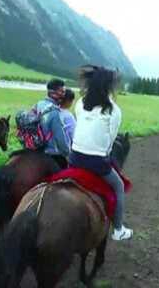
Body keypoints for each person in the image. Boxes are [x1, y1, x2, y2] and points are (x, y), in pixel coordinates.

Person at [69, 65, 133, 241]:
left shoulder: (80, 103)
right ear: (108, 86)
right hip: (97, 162)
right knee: (119, 186)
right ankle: (118, 230)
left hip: (74, 158)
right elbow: (110, 142)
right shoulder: (114, 110)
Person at [35, 78, 70, 170]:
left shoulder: (39, 104)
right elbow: (60, 139)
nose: (64, 95)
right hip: (53, 154)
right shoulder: (55, 112)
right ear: (53, 93)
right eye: (62, 92)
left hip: (38, 150)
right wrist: (68, 153)